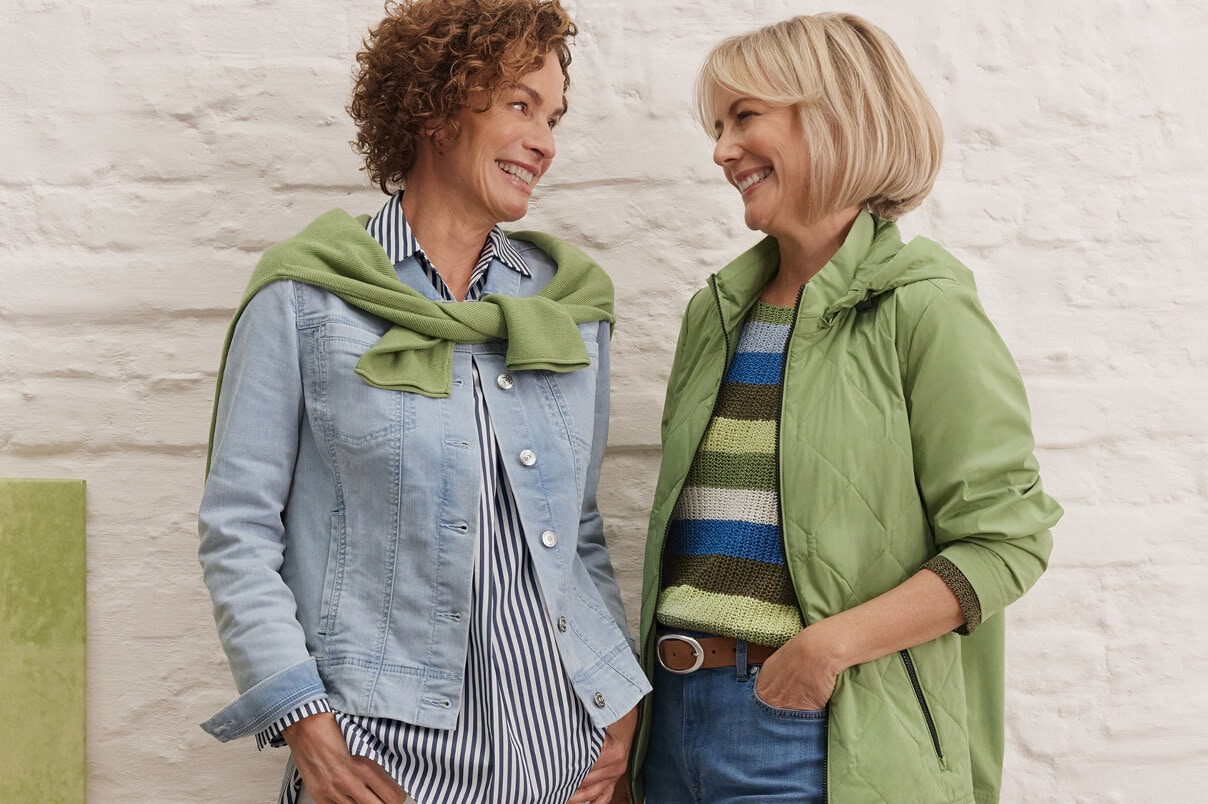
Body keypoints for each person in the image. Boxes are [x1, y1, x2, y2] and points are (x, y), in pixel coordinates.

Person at [197, 2, 649, 802]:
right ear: (438, 107)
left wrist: (616, 703)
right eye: (520, 105)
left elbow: (577, 529)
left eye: (554, 117)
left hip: (564, 752)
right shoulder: (307, 296)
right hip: (383, 761)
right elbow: (237, 530)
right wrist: (306, 724)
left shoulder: (566, 306)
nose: (545, 142)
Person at [630, 12, 1063, 803]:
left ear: (833, 117)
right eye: (718, 125)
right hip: (672, 720)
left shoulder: (922, 308)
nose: (722, 150)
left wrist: (825, 648)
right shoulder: (718, 313)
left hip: (814, 735)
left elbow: (1008, 543)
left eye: (745, 118)